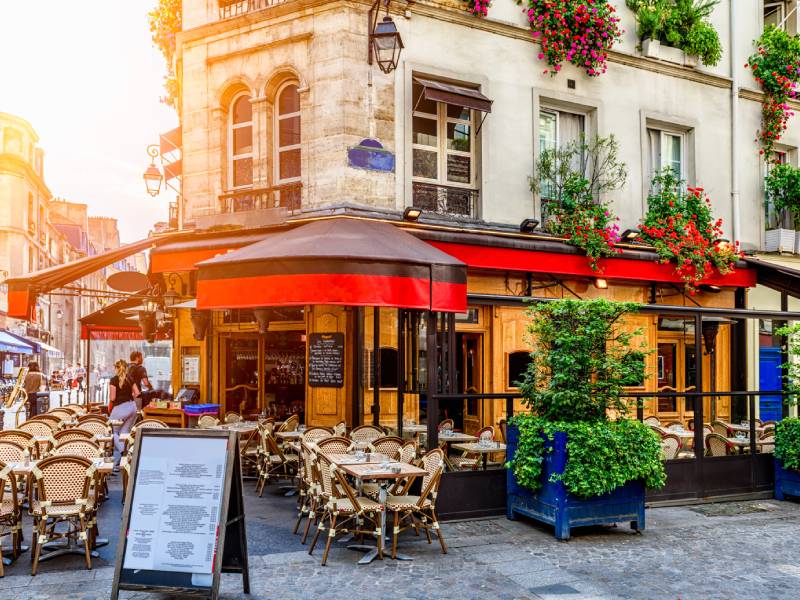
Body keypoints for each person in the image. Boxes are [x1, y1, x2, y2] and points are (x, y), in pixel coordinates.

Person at [108, 359, 139, 472]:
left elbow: (112, 398)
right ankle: (118, 464)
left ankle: (125, 455)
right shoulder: (130, 379)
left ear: (116, 368)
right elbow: (137, 393)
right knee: (124, 433)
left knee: (113, 432)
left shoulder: (114, 380)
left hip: (120, 408)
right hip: (132, 406)